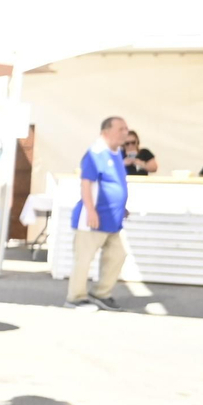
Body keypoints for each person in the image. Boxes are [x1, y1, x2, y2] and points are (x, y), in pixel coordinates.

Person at [67, 116, 131, 311]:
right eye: (121, 129)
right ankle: (75, 298)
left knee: (118, 254)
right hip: (93, 218)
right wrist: (91, 210)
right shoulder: (96, 153)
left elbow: (115, 184)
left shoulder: (117, 153)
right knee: (84, 259)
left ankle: (100, 293)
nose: (125, 133)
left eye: (126, 129)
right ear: (106, 131)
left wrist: (122, 207)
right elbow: (86, 183)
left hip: (112, 218)